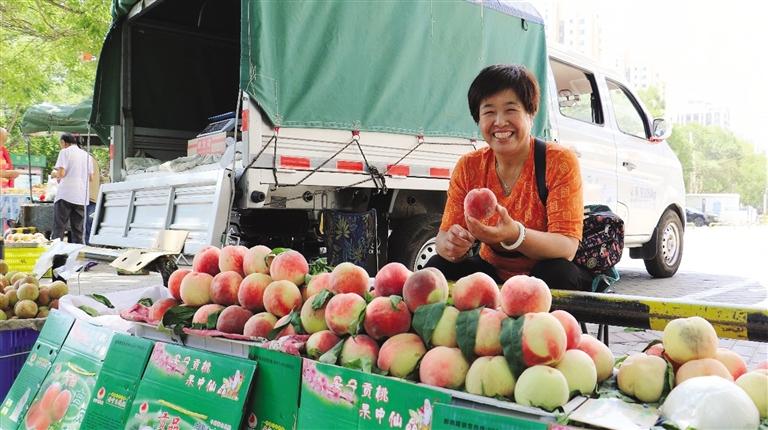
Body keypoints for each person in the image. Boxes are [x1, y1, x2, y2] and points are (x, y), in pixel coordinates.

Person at [427, 64, 594, 291]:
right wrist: (451, 245)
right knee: (438, 266)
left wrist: (515, 234)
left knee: (558, 273)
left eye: (510, 110)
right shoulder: (469, 167)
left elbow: (567, 247)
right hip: (491, 269)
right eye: (489, 112)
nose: (500, 122)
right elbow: (443, 237)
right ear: (478, 119)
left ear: (531, 113)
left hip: (544, 273)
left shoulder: (559, 161)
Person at [51, 133, 92, 243]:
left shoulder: (64, 152)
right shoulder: (87, 156)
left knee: (59, 227)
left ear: (63, 142)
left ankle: (56, 251)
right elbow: (91, 177)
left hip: (65, 195)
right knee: (78, 229)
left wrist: (55, 175)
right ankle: (77, 251)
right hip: (81, 196)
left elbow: (61, 173)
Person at [84, 153, 100, 244]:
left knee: (86, 225)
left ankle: (87, 246)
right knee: (90, 224)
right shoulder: (93, 160)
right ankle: (90, 245)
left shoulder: (85, 159)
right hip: (94, 196)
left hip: (87, 197)